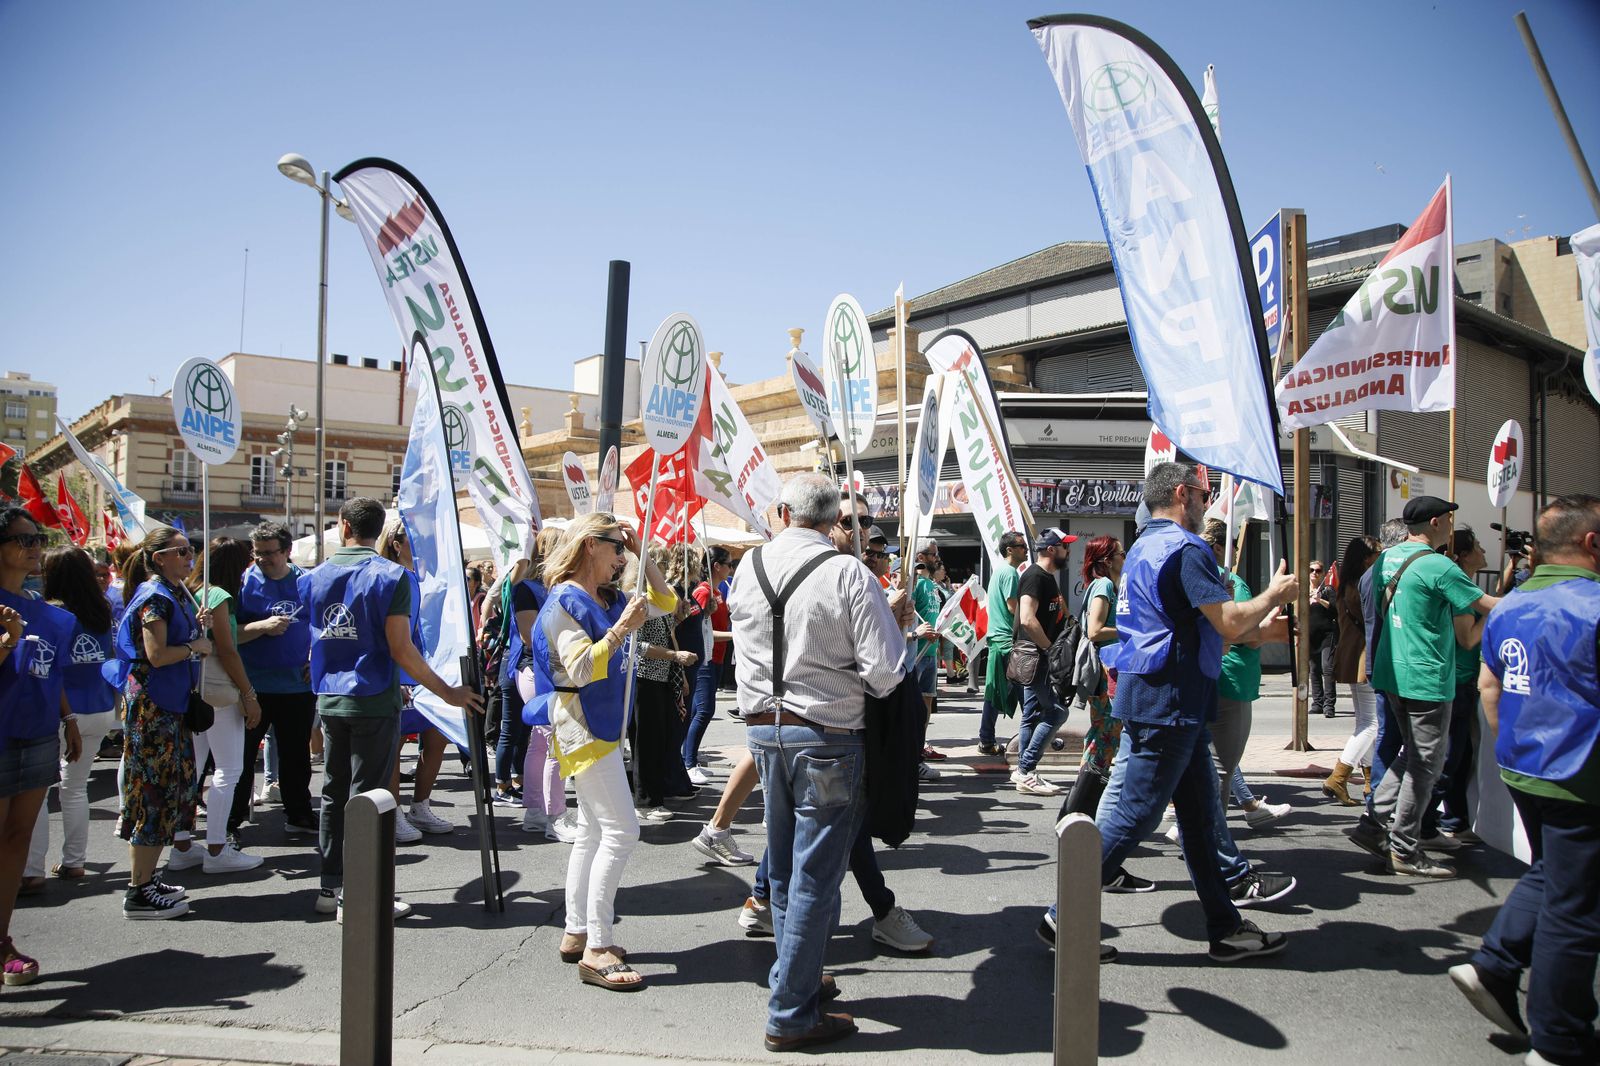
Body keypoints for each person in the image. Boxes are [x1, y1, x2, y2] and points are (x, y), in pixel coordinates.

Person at [728, 473, 906, 1051]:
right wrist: (895, 623)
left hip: (763, 733)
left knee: (782, 870)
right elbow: (883, 673)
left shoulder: (746, 569)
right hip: (827, 735)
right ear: (835, 522)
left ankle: (794, 977)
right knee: (812, 877)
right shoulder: (848, 572)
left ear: (782, 512)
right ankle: (791, 1011)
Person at [1093, 463, 1297, 962]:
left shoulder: (1142, 545)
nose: (1209, 503)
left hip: (1166, 697)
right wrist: (1274, 595)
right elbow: (1226, 623)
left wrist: (1257, 625)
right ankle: (1062, 915)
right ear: (1183, 494)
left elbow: (1204, 626)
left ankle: (1225, 928)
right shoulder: (1185, 549)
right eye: (1205, 494)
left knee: (1202, 820)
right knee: (1134, 816)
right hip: (1170, 702)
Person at [1450, 494, 1600, 1066]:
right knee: (1576, 906)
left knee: (1553, 875)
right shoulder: (1591, 605)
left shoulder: (1510, 606)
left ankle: (1495, 963)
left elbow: (1490, 687)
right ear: (1591, 543)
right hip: (1579, 773)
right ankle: (1560, 1038)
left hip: (1525, 765)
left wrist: (1510, 749)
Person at [305, 498, 483, 918]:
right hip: (371, 697)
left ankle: (331, 887)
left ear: (342, 525)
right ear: (378, 529)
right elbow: (402, 649)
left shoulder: (314, 575)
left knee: (334, 793)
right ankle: (358, 895)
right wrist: (448, 693)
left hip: (331, 696)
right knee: (367, 796)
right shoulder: (391, 576)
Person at [535, 513, 673, 991]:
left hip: (599, 727)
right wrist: (620, 631)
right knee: (621, 831)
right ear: (590, 545)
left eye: (623, 549)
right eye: (615, 547)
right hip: (584, 727)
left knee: (594, 832)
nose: (620, 557)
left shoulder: (604, 597)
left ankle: (578, 932)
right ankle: (597, 945)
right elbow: (578, 669)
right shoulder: (564, 604)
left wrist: (642, 552)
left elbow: (667, 601)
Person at [1349, 496, 1499, 877]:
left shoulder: (1387, 559)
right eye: (1449, 520)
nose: (1451, 527)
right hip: (1426, 676)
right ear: (1435, 522)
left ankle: (1373, 823)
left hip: (1392, 671)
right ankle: (1405, 847)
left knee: (1411, 756)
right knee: (1426, 765)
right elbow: (1486, 605)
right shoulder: (1439, 565)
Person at [113, 523, 209, 919]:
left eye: (190, 551)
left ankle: (147, 879)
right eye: (183, 551)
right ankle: (138, 890)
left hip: (166, 706)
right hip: (155, 708)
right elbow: (157, 654)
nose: (189, 558)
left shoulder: (170, 593)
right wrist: (194, 646)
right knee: (153, 793)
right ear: (160, 558)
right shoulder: (156, 596)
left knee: (166, 791)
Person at [0, 509, 82, 976]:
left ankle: (3, 940)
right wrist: (8, 640)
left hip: (36, 733)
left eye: (38, 539)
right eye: (23, 540)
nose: (35, 548)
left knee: (17, 839)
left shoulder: (49, 614)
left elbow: (51, 670)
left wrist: (67, 716)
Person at [168, 537, 263, 874]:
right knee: (228, 769)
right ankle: (217, 848)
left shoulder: (188, 591)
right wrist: (249, 695)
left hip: (191, 688)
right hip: (218, 693)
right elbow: (228, 650)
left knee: (192, 770)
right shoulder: (218, 596)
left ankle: (182, 844)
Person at [26, 548, 118, 886]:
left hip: (60, 712)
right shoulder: (101, 610)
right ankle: (74, 862)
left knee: (37, 794)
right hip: (99, 708)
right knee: (75, 788)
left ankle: (31, 870)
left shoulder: (51, 615)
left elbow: (46, 668)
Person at [229, 522, 316, 844]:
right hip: (253, 686)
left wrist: (314, 658)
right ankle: (232, 820)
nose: (262, 559)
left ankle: (299, 814)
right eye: (258, 553)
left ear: (287, 551)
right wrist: (260, 627)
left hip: (296, 686)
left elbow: (323, 625)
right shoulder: (242, 583)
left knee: (296, 756)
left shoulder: (306, 582)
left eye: (269, 553)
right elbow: (227, 634)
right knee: (241, 757)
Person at [377, 521, 453, 841]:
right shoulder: (392, 577)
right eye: (415, 539)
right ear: (396, 543)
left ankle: (419, 805)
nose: (423, 545)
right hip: (401, 673)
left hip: (428, 670)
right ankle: (392, 813)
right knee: (393, 745)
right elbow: (395, 634)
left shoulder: (424, 579)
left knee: (437, 738)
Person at [1425, 526, 1488, 845]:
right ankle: (1422, 823)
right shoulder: (1458, 591)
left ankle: (1455, 820)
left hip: (1461, 683)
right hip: (1458, 682)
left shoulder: (1462, 586)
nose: (1484, 552)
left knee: (1460, 758)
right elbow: (1467, 639)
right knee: (1448, 759)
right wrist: (1492, 613)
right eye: (1478, 546)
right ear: (1463, 555)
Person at [630, 544, 699, 821]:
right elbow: (638, 646)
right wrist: (675, 656)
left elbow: (668, 634)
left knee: (660, 738)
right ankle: (645, 801)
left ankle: (657, 793)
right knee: (645, 742)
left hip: (661, 676)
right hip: (644, 676)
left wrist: (678, 671)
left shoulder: (658, 601)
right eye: (658, 565)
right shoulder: (636, 600)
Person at [1061, 535, 1124, 816]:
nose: (1125, 557)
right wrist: (1131, 630)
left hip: (1105, 670)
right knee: (1105, 735)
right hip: (1105, 671)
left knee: (1104, 733)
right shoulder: (1105, 585)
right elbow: (1095, 630)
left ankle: (1085, 800)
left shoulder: (1102, 584)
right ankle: (1083, 801)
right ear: (1108, 560)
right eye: (1121, 553)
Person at [1012, 529, 1075, 795]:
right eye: (1065, 547)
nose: (1068, 552)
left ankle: (1026, 773)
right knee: (1057, 712)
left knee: (1032, 715)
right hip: (1036, 658)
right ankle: (1026, 770)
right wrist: (1050, 650)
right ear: (1052, 549)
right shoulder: (1035, 576)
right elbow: (1026, 617)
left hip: (1037, 657)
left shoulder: (1046, 578)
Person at [1324, 535, 1382, 806]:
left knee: (1364, 721)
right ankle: (1339, 776)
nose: (1381, 557)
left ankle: (1369, 783)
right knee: (1371, 723)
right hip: (1362, 657)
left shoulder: (1347, 584)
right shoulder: (1361, 585)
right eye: (1377, 553)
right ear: (1365, 558)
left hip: (1351, 656)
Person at [682, 546, 732, 784]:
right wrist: (735, 636)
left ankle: (689, 759)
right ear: (717, 566)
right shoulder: (704, 591)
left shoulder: (716, 590)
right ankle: (688, 763)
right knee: (703, 710)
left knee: (698, 711)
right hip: (706, 658)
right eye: (729, 564)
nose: (731, 569)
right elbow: (702, 630)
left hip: (717, 657)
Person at [977, 531, 1028, 757]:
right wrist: (1031, 622)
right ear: (1010, 550)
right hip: (1007, 641)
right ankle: (1034, 738)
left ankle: (986, 739)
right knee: (1025, 691)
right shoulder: (1009, 573)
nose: (1026, 549)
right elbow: (1012, 607)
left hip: (999, 641)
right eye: (1021, 546)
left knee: (996, 692)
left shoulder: (1000, 572)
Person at [1307, 561, 1338, 717]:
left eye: (1318, 570)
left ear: (1322, 573)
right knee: (1314, 670)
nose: (1314, 573)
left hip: (1327, 635)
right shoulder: (1303, 591)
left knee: (1327, 668)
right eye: (1311, 570)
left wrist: (1319, 600)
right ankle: (1317, 703)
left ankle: (1329, 705)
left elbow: (1335, 609)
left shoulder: (1327, 590)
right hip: (1310, 636)